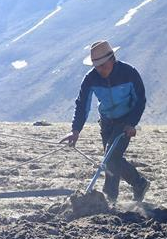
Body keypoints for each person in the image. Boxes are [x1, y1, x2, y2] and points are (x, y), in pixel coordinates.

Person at [60, 40, 150, 202]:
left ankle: (109, 199)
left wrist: (132, 123)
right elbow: (82, 105)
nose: (100, 70)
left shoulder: (129, 73)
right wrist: (75, 130)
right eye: (96, 66)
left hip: (125, 121)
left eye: (103, 65)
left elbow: (140, 101)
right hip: (106, 122)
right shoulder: (90, 79)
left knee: (111, 158)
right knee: (111, 159)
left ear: (112, 59)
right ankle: (139, 183)